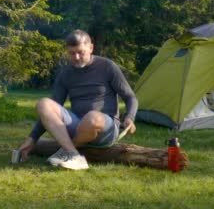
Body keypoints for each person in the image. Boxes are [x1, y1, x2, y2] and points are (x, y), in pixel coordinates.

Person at [17, 29, 138, 170]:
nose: (76, 57)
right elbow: (52, 109)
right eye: (72, 53)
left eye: (81, 52)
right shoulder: (66, 74)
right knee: (44, 104)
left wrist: (130, 117)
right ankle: (74, 155)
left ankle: (66, 150)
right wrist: (32, 138)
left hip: (105, 128)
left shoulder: (107, 66)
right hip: (77, 124)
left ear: (91, 48)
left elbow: (130, 97)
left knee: (92, 117)